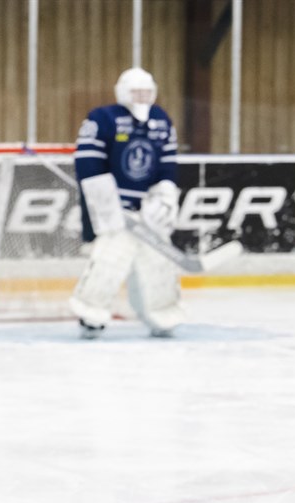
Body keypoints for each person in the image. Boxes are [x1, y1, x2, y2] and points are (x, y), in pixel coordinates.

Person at [70, 67, 185, 338]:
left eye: (147, 92)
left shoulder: (161, 119)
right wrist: (106, 204)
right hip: (113, 206)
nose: (142, 97)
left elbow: (167, 163)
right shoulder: (102, 118)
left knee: (157, 262)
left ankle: (162, 315)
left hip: (148, 209)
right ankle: (91, 315)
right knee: (109, 259)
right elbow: (88, 162)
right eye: (136, 92)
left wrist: (164, 195)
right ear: (122, 92)